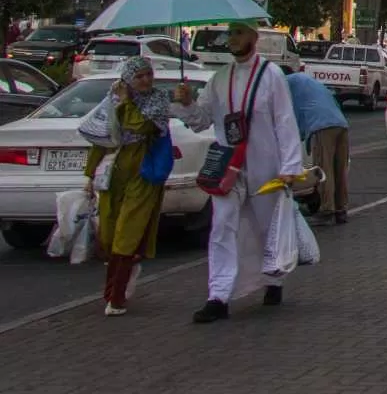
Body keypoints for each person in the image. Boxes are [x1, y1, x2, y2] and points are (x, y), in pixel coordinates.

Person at [172, 20, 304, 324]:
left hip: (263, 164)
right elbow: (201, 119)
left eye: (239, 32)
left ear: (254, 38)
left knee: (264, 225)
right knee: (221, 227)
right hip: (227, 166)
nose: (233, 38)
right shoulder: (219, 78)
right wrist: (186, 102)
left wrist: (289, 168)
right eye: (230, 33)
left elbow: (285, 122)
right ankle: (218, 296)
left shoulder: (271, 76)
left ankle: (273, 280)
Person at [78, 56, 171, 315]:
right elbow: (102, 136)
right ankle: (125, 270)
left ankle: (116, 297)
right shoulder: (114, 98)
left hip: (144, 168)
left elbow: (140, 125)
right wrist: (89, 175)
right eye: (138, 76)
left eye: (148, 74)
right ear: (128, 79)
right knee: (108, 231)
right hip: (115, 168)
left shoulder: (158, 99)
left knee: (127, 231)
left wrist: (126, 102)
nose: (145, 80)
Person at [285, 66, 351, 223]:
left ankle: (326, 209)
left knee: (324, 168)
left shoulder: (287, 84)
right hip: (340, 123)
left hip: (321, 126)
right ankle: (341, 209)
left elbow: (292, 112)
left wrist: (300, 136)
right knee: (339, 169)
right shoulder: (311, 81)